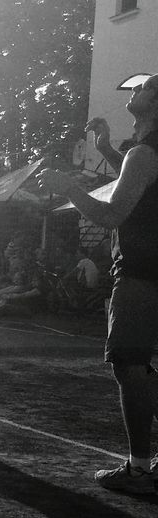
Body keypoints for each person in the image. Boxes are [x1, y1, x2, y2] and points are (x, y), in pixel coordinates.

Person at [39, 72, 158, 494]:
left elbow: (111, 215)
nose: (137, 89)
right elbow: (134, 183)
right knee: (142, 367)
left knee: (130, 365)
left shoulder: (144, 153)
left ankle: (141, 470)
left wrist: (69, 186)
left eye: (146, 87)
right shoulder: (142, 153)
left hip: (142, 274)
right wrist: (106, 146)